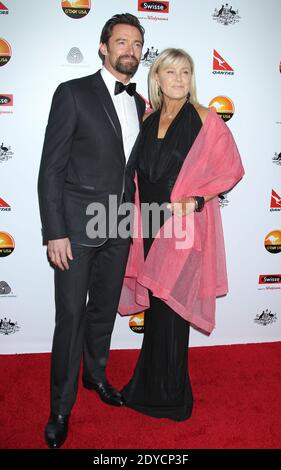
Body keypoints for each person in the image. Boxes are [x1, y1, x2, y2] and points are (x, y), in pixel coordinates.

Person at [118, 48, 244, 421]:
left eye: (185, 72)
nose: (178, 79)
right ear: (156, 78)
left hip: (183, 226)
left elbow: (231, 170)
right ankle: (147, 387)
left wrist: (198, 200)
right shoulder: (147, 118)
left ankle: (172, 399)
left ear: (192, 79)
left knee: (172, 308)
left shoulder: (206, 119)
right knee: (158, 311)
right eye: (170, 72)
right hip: (149, 223)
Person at [38, 13, 145, 448]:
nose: (130, 51)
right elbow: (51, 169)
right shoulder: (73, 93)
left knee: (102, 311)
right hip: (76, 230)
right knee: (71, 318)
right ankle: (60, 407)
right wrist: (54, 231)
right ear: (104, 47)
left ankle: (95, 376)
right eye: (121, 42)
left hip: (119, 224)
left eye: (137, 44)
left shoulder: (140, 103)